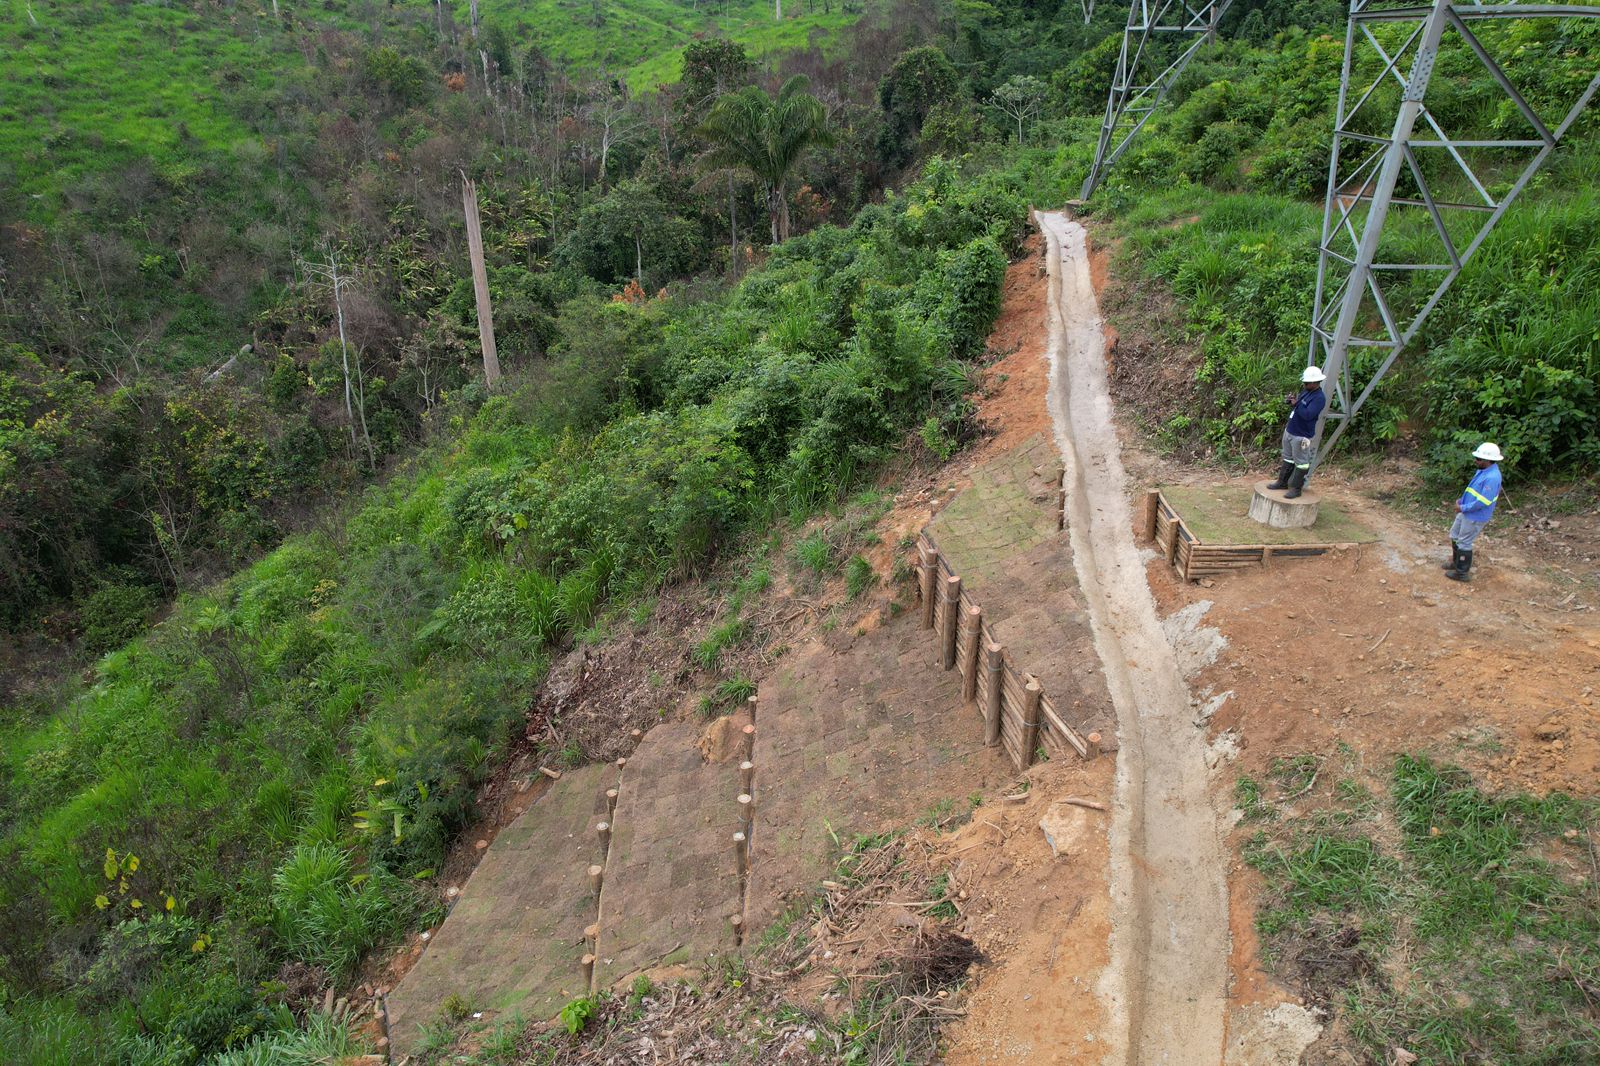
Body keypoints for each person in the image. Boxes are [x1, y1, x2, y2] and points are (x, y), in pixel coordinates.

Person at [1443, 442, 1503, 583]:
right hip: (1466, 511)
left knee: (1464, 541)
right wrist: (1462, 501)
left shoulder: (1492, 477)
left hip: (1475, 516)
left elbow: (1483, 502)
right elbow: (1473, 491)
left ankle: (1462, 573)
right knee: (1455, 535)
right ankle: (1456, 563)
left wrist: (1463, 508)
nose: (1476, 461)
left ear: (1488, 460)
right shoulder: (1483, 471)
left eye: (1479, 459)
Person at [1267, 366, 1326, 499]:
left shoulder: (1319, 398)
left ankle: (1296, 488)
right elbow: (1299, 405)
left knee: (1301, 462)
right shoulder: (1306, 391)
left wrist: (1296, 404)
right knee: (1287, 457)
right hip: (1291, 430)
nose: (1304, 385)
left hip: (1301, 435)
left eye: (1306, 383)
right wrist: (1292, 401)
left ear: (1314, 382)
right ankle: (1282, 482)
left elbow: (1308, 414)